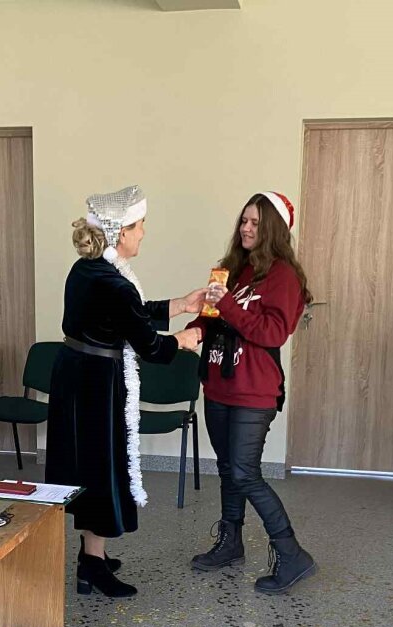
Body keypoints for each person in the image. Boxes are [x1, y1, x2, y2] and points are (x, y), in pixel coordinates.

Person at [45, 185, 206, 598]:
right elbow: (150, 345)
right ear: (120, 233)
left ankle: (92, 555)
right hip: (96, 382)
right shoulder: (113, 284)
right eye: (139, 225)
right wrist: (183, 340)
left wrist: (181, 304)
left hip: (78, 374)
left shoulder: (88, 269)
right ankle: (92, 565)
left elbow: (130, 313)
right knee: (101, 467)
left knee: (89, 465)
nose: (144, 232)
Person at [183, 191, 316, 595]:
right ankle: (231, 542)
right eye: (244, 220)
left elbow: (273, 332)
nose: (246, 228)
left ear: (273, 228)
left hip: (254, 391)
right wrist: (193, 331)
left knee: (245, 473)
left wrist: (227, 306)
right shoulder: (230, 270)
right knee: (227, 469)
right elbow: (211, 317)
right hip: (218, 385)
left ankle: (292, 553)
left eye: (256, 223)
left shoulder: (284, 277)